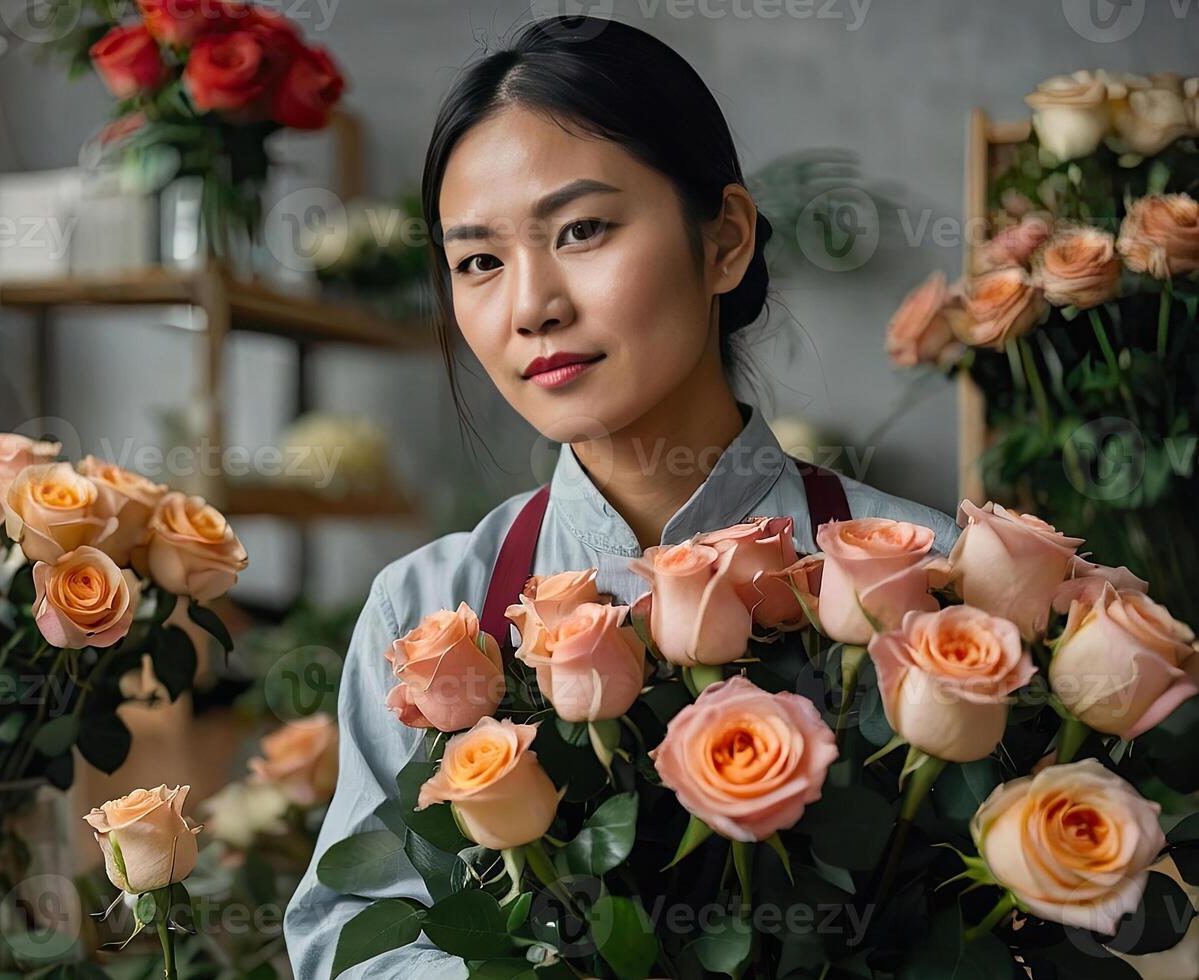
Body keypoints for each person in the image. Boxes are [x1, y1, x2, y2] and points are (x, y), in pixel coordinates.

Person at [284, 15, 958, 978]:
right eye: (479, 260)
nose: (531, 305)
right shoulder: (428, 614)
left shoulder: (932, 577)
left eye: (582, 230)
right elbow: (346, 938)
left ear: (723, 241)